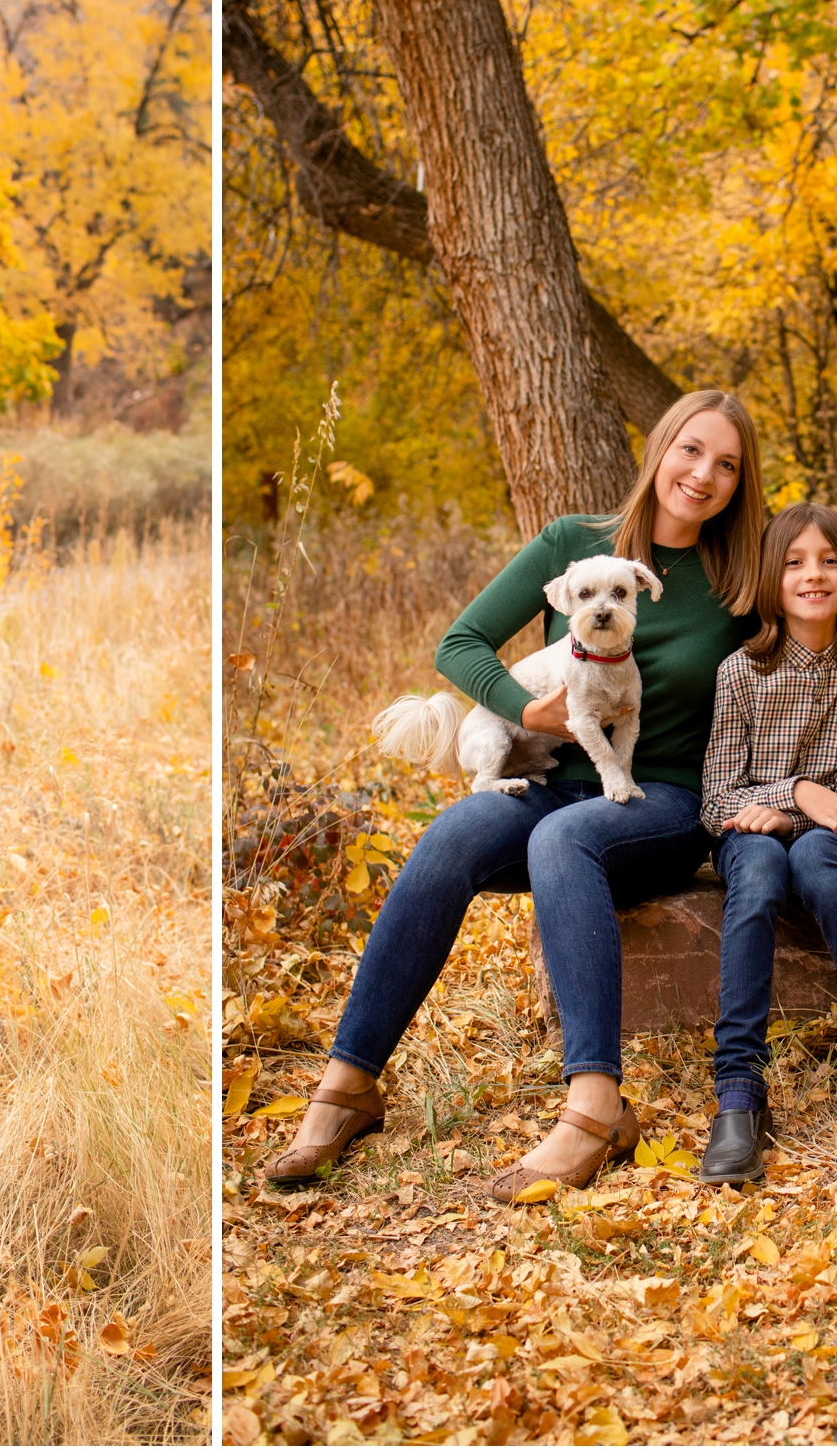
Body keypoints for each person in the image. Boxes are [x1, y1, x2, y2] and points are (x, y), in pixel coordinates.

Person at [262, 391, 766, 1200]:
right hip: (549, 779)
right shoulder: (575, 546)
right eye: (690, 450)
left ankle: (597, 1110)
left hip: (661, 802)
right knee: (453, 836)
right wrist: (526, 712)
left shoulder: (741, 579)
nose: (703, 475)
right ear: (659, 449)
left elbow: (814, 645)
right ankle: (347, 1086)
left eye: (727, 465)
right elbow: (458, 645)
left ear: (742, 485)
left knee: (561, 841)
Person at [698, 503, 837, 1184]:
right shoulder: (740, 671)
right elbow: (717, 797)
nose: (813, 575)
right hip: (750, 837)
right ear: (772, 580)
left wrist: (796, 809)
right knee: (763, 873)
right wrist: (796, 794)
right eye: (794, 562)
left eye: (828, 561)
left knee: (822, 868)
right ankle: (738, 1094)